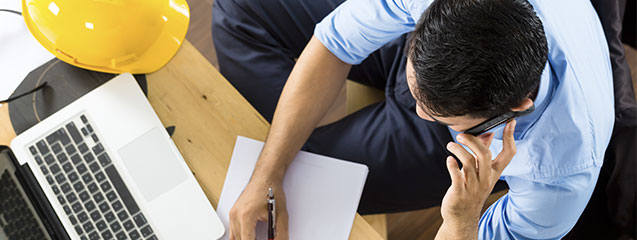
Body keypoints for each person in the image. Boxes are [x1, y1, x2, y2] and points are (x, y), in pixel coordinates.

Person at [212, 0, 615, 239]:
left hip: (475, 144)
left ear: (518, 107)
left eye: (434, 115)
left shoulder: (560, 175)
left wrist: (461, 218)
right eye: (419, 99)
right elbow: (334, 41)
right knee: (237, 7)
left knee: (312, 182)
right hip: (435, 71)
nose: (420, 112)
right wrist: (268, 170)